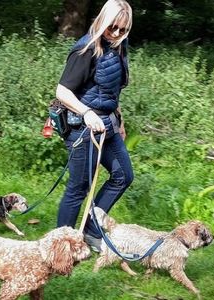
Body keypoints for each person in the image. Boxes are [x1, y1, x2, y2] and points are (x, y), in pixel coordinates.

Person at [56, 0, 134, 252]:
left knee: (123, 176)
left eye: (124, 30)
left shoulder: (119, 46)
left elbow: (111, 89)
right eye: (113, 28)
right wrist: (87, 112)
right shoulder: (85, 49)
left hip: (109, 125)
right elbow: (62, 91)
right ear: (102, 21)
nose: (118, 34)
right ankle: (61, 246)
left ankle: (90, 231)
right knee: (79, 188)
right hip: (84, 128)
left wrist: (119, 119)